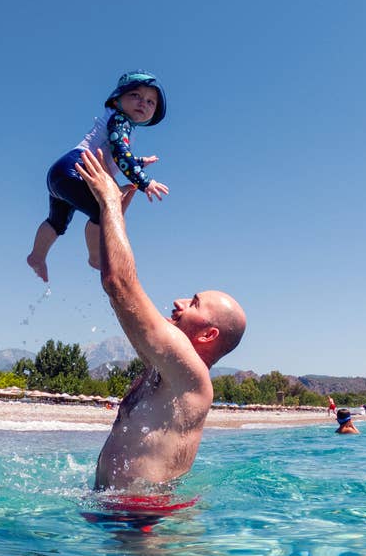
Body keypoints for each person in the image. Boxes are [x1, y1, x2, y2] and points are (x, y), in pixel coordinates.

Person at [72, 147, 246, 500]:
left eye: (194, 303)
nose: (180, 302)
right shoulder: (166, 369)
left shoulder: (190, 373)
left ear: (208, 333)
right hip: (125, 515)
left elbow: (119, 284)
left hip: (144, 524)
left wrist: (107, 199)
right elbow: (105, 270)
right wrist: (117, 208)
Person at [27, 72, 171, 282]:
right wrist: (145, 181)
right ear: (117, 98)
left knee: (57, 222)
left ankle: (37, 257)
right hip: (76, 170)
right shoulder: (120, 120)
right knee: (105, 211)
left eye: (150, 101)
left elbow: (116, 153)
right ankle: (95, 258)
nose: (143, 103)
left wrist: (138, 162)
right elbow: (121, 154)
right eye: (135, 95)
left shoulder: (118, 123)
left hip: (62, 173)